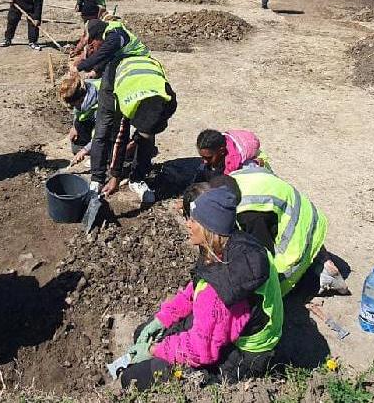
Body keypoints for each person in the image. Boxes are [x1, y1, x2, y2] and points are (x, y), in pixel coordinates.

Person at [117, 186, 282, 389]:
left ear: (208, 229)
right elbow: (196, 288)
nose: (187, 224)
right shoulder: (230, 244)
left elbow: (200, 350)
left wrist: (153, 350)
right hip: (230, 322)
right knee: (145, 331)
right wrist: (162, 319)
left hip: (247, 355)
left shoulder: (221, 287)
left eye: (193, 220)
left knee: (132, 379)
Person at [207, 168, 346, 295]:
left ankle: (322, 275)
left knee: (269, 287)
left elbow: (263, 254)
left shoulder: (248, 216)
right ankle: (320, 258)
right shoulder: (232, 179)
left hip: (303, 230)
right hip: (303, 212)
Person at [81, 47, 175, 198]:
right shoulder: (128, 103)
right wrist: (115, 177)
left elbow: (149, 129)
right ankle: (97, 179)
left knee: (147, 138)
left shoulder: (168, 101)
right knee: (104, 129)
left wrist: (139, 138)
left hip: (147, 75)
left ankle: (137, 179)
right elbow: (121, 138)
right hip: (116, 75)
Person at [196, 129, 271, 178]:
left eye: (208, 157)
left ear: (221, 151)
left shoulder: (232, 161)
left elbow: (226, 182)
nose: (204, 161)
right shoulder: (220, 144)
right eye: (202, 157)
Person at [58, 73, 101, 157]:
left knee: (99, 150)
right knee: (76, 148)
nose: (74, 108)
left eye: (74, 105)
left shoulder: (102, 99)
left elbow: (101, 134)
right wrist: (74, 127)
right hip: (91, 115)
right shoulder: (83, 89)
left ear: (81, 99)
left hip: (112, 125)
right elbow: (77, 112)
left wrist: (85, 150)